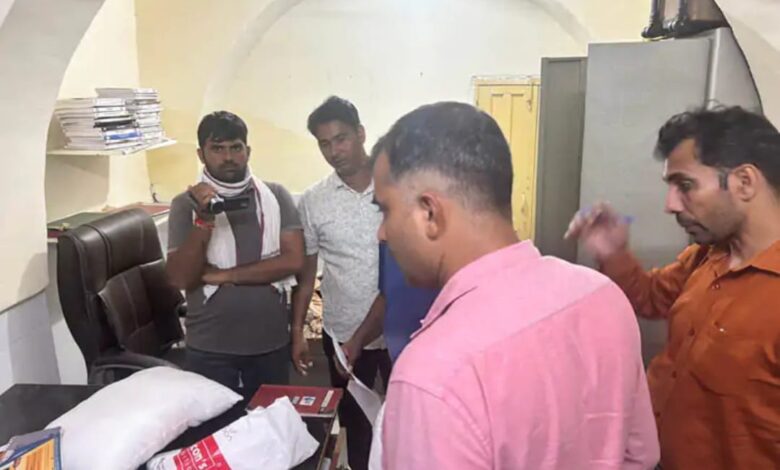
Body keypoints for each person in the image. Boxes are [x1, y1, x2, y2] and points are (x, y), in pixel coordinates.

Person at [375, 102, 659, 469]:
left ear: (430, 213)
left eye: (385, 210)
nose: (382, 233)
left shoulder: (433, 377)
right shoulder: (601, 295)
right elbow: (641, 455)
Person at [566, 106, 780, 469]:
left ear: (744, 182)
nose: (670, 205)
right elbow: (651, 297)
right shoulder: (707, 256)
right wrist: (613, 253)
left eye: (685, 186)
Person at [166, 111, 304, 401]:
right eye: (217, 148)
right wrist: (204, 220)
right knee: (217, 425)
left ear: (248, 151)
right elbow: (181, 278)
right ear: (201, 154)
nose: (228, 157)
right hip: (210, 348)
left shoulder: (275, 196)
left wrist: (225, 275)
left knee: (271, 423)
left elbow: (292, 261)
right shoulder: (185, 205)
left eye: (235, 147)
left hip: (270, 344)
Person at [292, 96, 391, 470]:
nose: (334, 152)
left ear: (361, 134)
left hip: (402, 332)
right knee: (357, 427)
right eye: (324, 144)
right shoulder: (314, 201)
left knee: (408, 424)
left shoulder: (397, 186)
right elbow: (307, 275)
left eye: (341, 139)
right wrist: (297, 332)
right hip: (344, 337)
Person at [341, 242, 439, 367]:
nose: (380, 234)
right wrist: (357, 342)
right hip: (398, 363)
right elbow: (387, 298)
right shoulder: (388, 242)